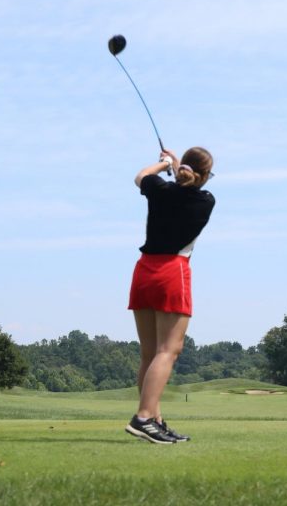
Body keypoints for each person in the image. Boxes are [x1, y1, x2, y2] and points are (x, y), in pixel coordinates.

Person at [124, 147, 215, 444]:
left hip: (143, 272)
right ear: (205, 176)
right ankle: (144, 417)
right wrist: (177, 167)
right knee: (169, 351)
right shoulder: (205, 200)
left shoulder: (159, 189)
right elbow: (188, 186)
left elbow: (141, 176)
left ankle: (156, 420)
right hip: (172, 273)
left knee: (150, 354)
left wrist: (164, 164)